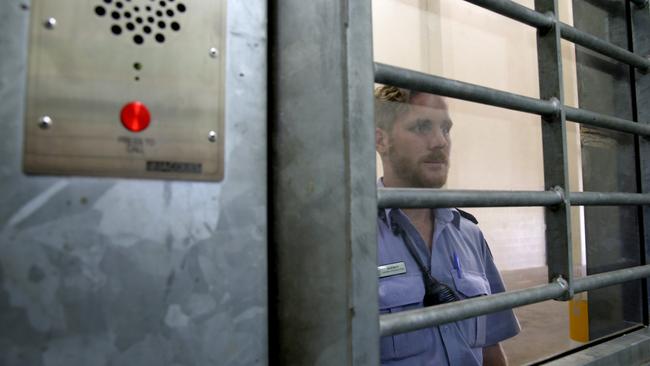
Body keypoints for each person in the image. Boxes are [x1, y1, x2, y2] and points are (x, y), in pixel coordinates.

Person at [375, 85, 520, 366]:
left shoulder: (469, 234)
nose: (440, 141)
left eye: (446, 129)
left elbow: (491, 352)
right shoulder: (351, 239)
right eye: (421, 127)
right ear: (381, 140)